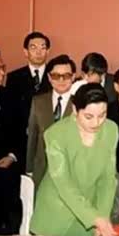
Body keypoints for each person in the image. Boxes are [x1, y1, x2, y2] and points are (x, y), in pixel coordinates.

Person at [30, 83, 119, 236]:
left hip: (90, 218)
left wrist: (102, 217)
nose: (96, 123)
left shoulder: (111, 130)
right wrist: (94, 218)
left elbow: (107, 179)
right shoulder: (56, 134)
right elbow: (63, 184)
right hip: (55, 215)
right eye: (88, 117)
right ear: (75, 110)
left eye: (102, 115)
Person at [26, 54, 76, 190]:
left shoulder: (80, 103)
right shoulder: (38, 101)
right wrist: (29, 169)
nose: (61, 80)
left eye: (66, 75)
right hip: (41, 170)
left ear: (73, 77)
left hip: (71, 172)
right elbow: (32, 136)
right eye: (55, 76)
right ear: (49, 77)